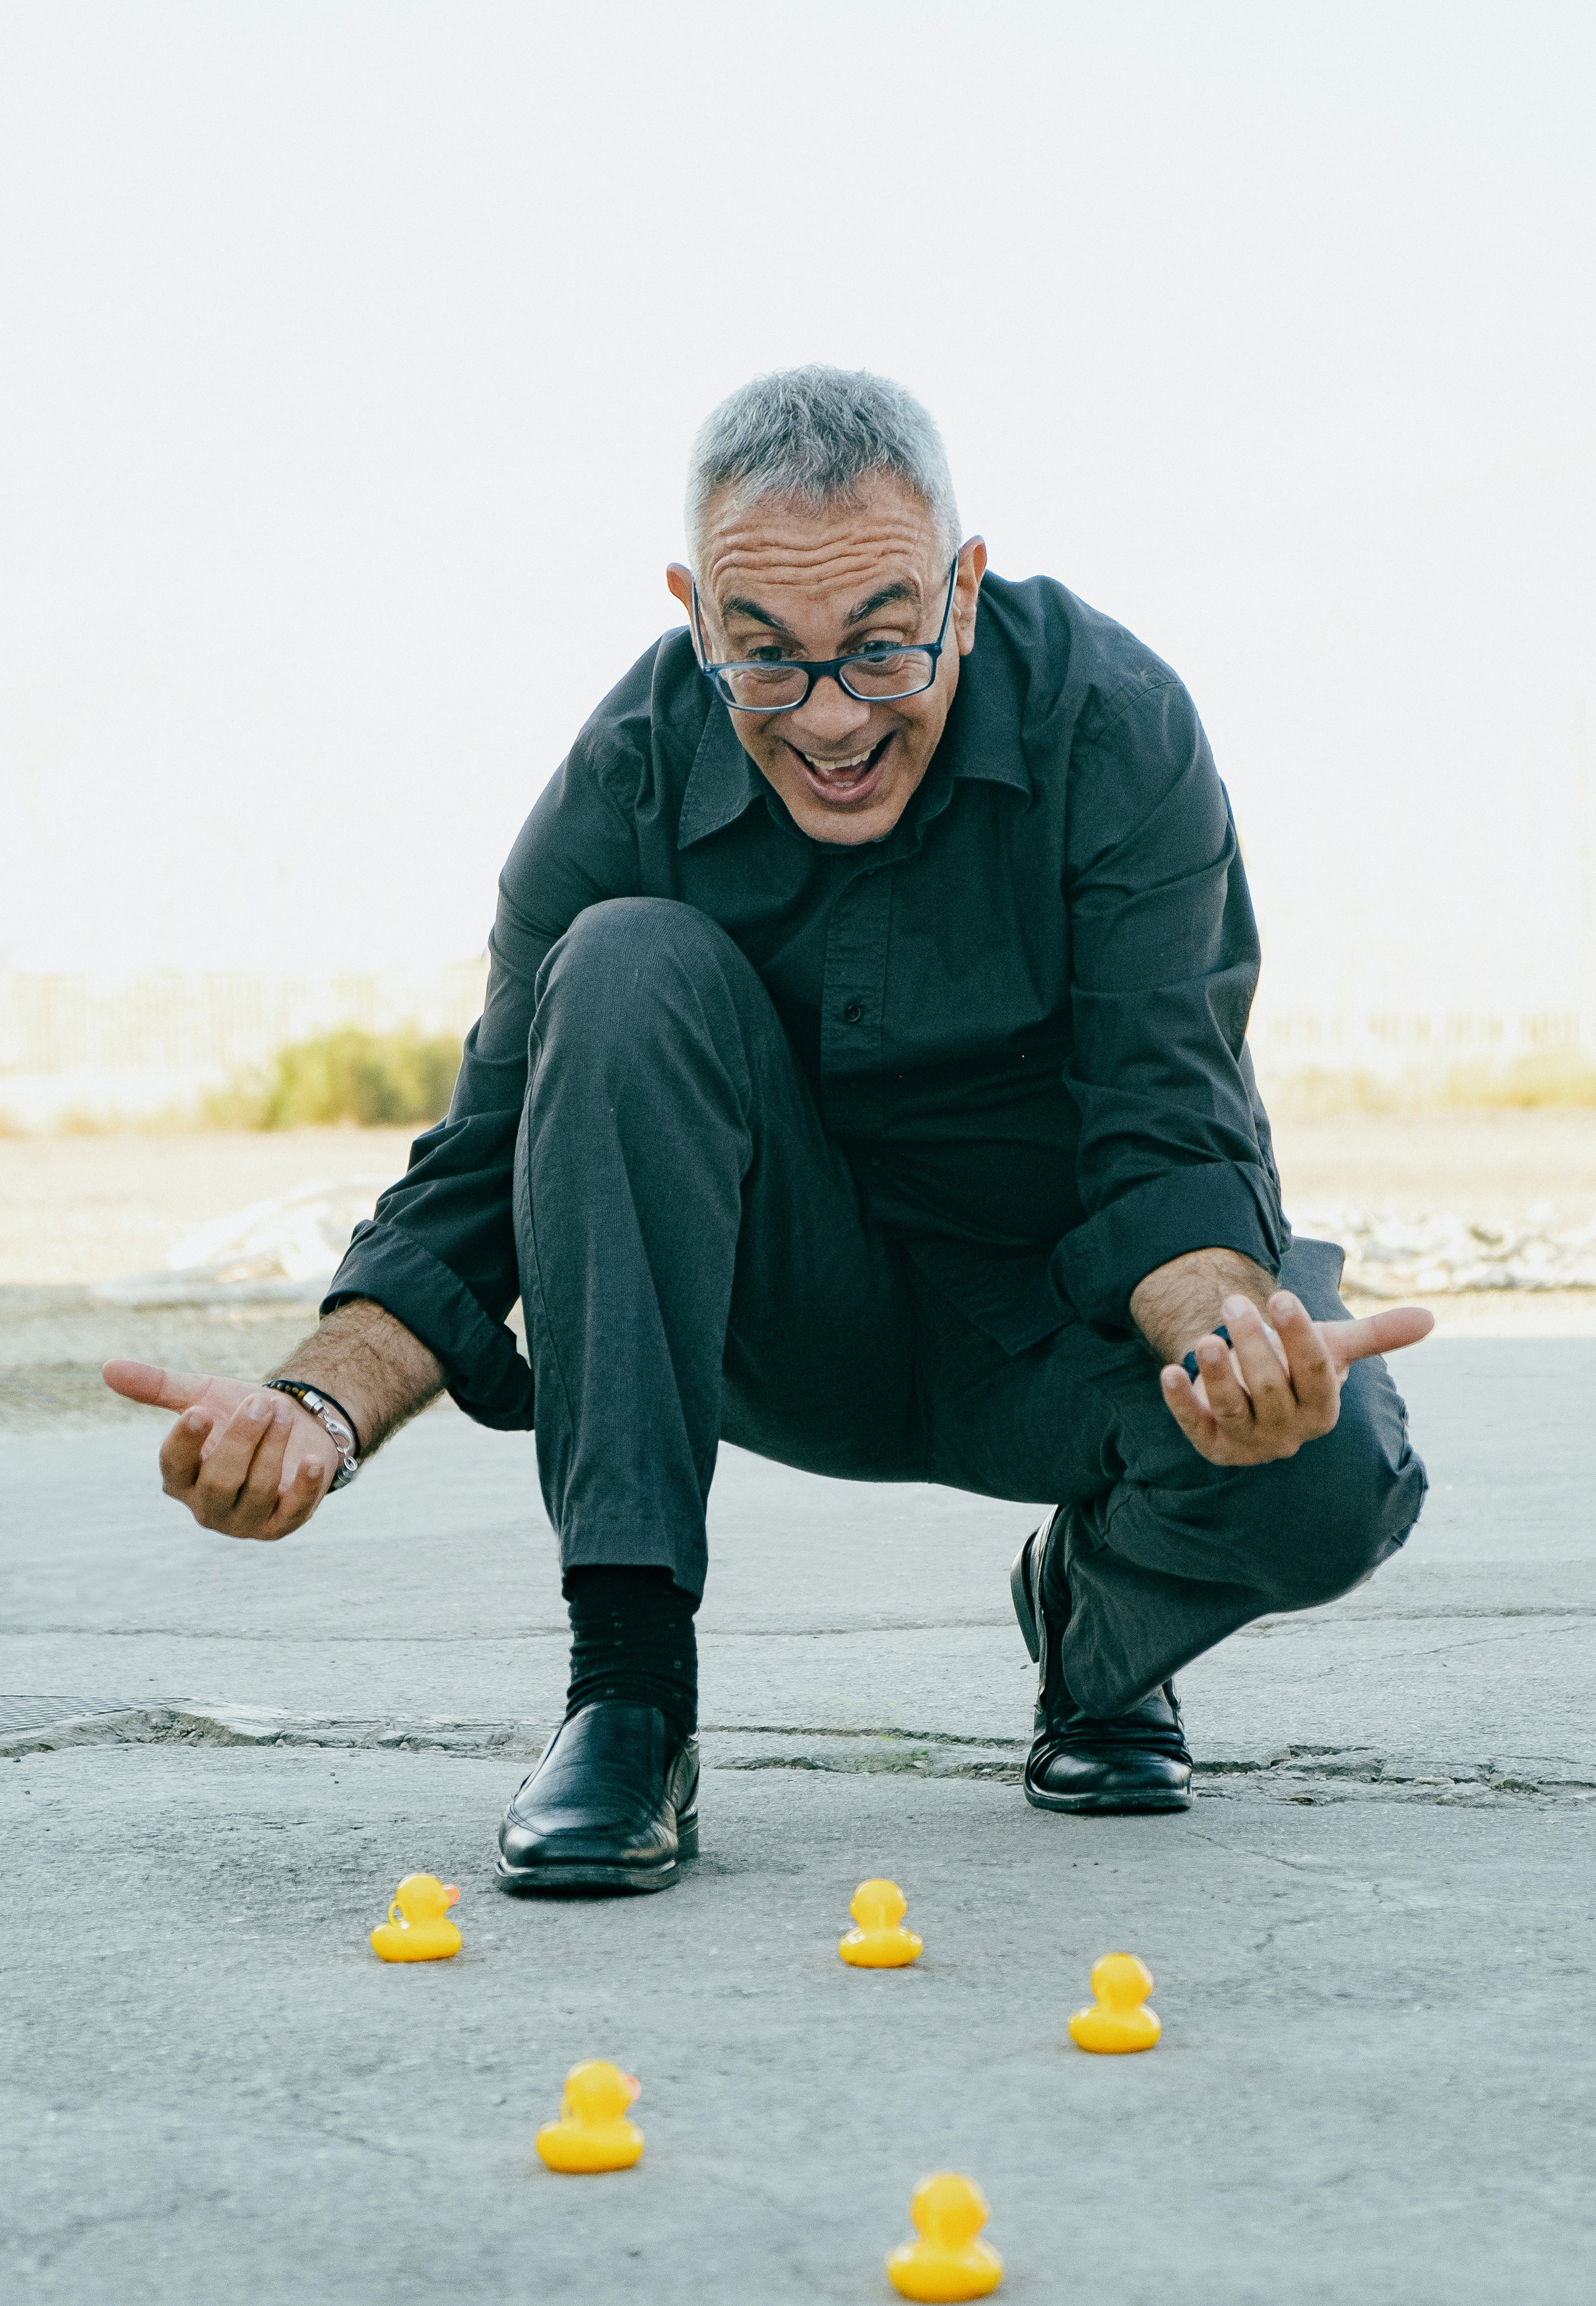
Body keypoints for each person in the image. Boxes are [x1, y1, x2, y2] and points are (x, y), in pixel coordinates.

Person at [105, 366, 1431, 1897]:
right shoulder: (623, 772)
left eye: (881, 647)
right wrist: (317, 1411)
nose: (830, 720)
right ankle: (627, 1701)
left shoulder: (1114, 726)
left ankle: (1097, 1625)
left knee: (1326, 1481)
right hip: (784, 1326)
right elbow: (485, 1159)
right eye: (765, 660)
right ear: (693, 612)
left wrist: (1227, 1346)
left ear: (963, 583)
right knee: (616, 963)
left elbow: (1166, 1123)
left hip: (1058, 1332)